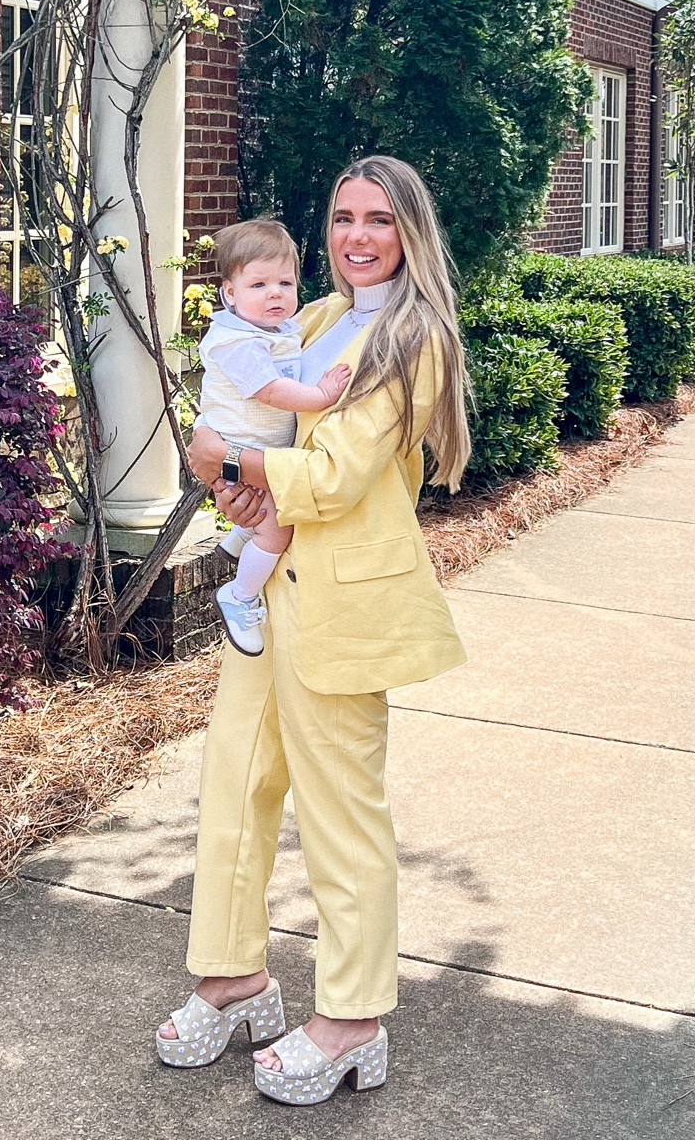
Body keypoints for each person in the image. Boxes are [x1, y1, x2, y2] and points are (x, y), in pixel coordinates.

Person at [156, 155, 470, 1106]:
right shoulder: (322, 320)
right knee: (238, 780)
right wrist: (226, 472)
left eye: (380, 219)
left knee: (340, 810)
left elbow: (328, 476)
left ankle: (352, 1017)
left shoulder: (413, 339)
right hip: (273, 582)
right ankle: (235, 977)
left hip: (344, 600)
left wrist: (228, 456)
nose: (358, 237)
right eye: (342, 217)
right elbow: (254, 421)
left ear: (411, 232)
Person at [195, 217, 354, 655]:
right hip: (244, 448)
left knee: (260, 513)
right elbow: (271, 389)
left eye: (285, 283)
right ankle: (241, 596)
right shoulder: (239, 342)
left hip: (252, 450)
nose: (275, 295)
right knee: (277, 528)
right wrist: (320, 394)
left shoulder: (272, 328)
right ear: (230, 293)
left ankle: (238, 539)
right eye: (259, 285)